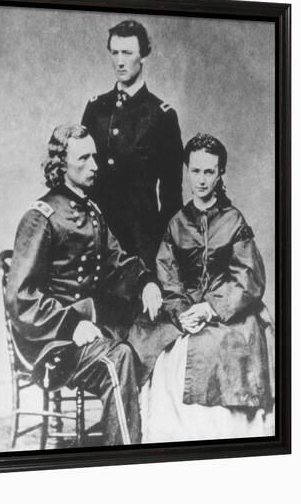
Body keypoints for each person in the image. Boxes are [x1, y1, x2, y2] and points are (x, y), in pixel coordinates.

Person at [5, 124, 163, 446]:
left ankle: (126, 436)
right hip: (50, 341)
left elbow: (117, 262)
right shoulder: (41, 217)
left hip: (86, 329)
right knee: (117, 360)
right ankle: (127, 457)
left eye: (95, 156)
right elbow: (21, 297)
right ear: (62, 165)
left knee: (152, 338)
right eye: (85, 158)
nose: (95, 165)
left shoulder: (92, 212)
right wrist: (70, 325)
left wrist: (146, 281)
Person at [128, 133, 275, 442]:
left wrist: (210, 308)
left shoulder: (234, 221)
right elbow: (167, 275)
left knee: (221, 347)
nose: (202, 180)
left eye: (209, 171)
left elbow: (249, 277)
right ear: (187, 170)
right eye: (195, 171)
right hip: (183, 310)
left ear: (220, 172)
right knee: (163, 350)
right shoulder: (176, 223)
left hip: (229, 309)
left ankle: (219, 439)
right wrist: (182, 312)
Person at [82, 19, 183, 268]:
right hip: (95, 238)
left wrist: (156, 254)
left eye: (127, 53)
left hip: (140, 242)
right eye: (114, 53)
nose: (119, 61)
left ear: (143, 57)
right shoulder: (96, 109)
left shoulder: (162, 116)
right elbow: (80, 173)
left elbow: (171, 197)